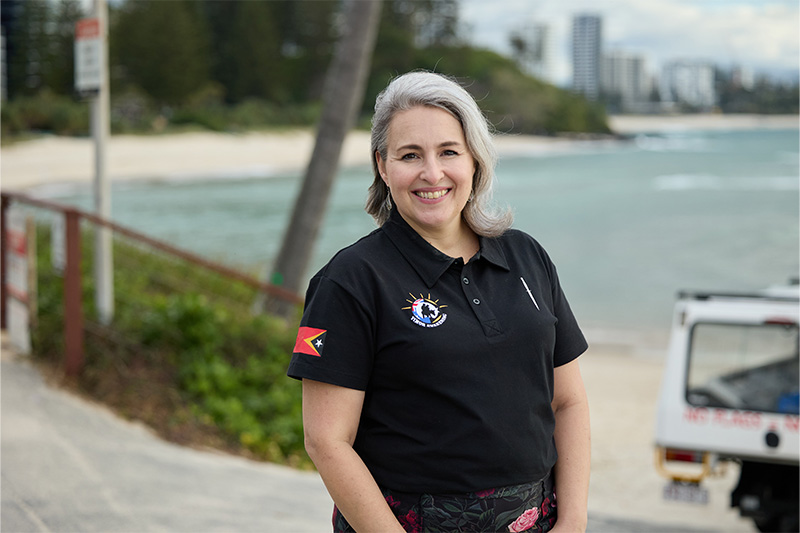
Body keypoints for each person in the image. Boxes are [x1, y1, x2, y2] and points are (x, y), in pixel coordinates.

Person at [287, 71, 590, 533]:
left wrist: (573, 520)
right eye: (410, 156)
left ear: (474, 160)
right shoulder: (351, 280)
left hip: (538, 520)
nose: (432, 174)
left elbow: (567, 402)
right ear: (383, 167)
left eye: (449, 152)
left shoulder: (527, 256)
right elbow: (327, 441)